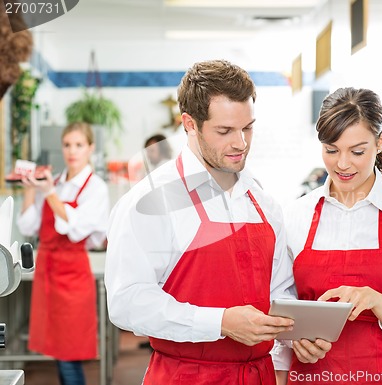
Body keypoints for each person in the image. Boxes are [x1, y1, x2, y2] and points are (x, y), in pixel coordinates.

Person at [105, 59, 330, 385]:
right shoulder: (150, 202)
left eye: (248, 127)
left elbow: (278, 292)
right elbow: (127, 304)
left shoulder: (263, 202)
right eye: (225, 131)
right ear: (190, 124)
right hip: (185, 376)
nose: (241, 142)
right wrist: (220, 322)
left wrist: (295, 334)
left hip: (258, 376)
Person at [272, 87, 382, 384]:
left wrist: (375, 300)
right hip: (313, 375)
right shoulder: (295, 216)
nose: (342, 164)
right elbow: (280, 306)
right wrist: (294, 340)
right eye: (331, 150)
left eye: (357, 151)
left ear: (380, 143)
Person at [17, 122, 110, 385]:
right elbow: (29, 225)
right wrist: (30, 190)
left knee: (69, 352)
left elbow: (76, 228)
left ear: (90, 148)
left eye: (79, 145)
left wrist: (49, 195)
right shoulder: (54, 181)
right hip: (47, 270)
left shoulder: (96, 188)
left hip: (72, 274)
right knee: (58, 352)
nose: (72, 151)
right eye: (67, 145)